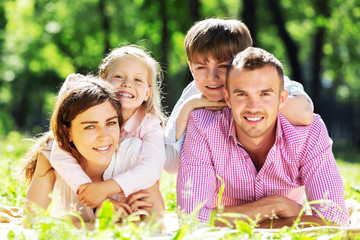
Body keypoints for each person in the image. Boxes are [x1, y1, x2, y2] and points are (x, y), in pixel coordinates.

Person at [177, 47, 349, 228]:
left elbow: (334, 220)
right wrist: (277, 206)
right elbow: (191, 218)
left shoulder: (310, 133)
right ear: (227, 98)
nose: (253, 107)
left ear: (282, 99)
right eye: (242, 94)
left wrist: (251, 224)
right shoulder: (203, 126)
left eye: (265, 94)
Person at [164, 18, 314, 173]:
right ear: (191, 67)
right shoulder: (194, 93)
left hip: (275, 177)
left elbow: (305, 114)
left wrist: (246, 101)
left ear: (243, 62)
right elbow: (170, 165)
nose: (212, 76)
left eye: (222, 66)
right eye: (201, 67)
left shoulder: (266, 80)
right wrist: (189, 106)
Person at [23, 76, 162, 224]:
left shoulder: (135, 155)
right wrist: (120, 227)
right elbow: (32, 224)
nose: (103, 136)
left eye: (111, 123)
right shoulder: (51, 157)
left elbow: (156, 228)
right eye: (90, 126)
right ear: (67, 131)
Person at [48, 46, 166, 215]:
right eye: (119, 76)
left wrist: (105, 189)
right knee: (46, 148)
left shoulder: (149, 125)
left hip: (133, 196)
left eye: (138, 80)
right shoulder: (87, 111)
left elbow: (151, 167)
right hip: (88, 193)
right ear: (102, 80)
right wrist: (90, 191)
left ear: (147, 93)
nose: (127, 84)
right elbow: (60, 151)